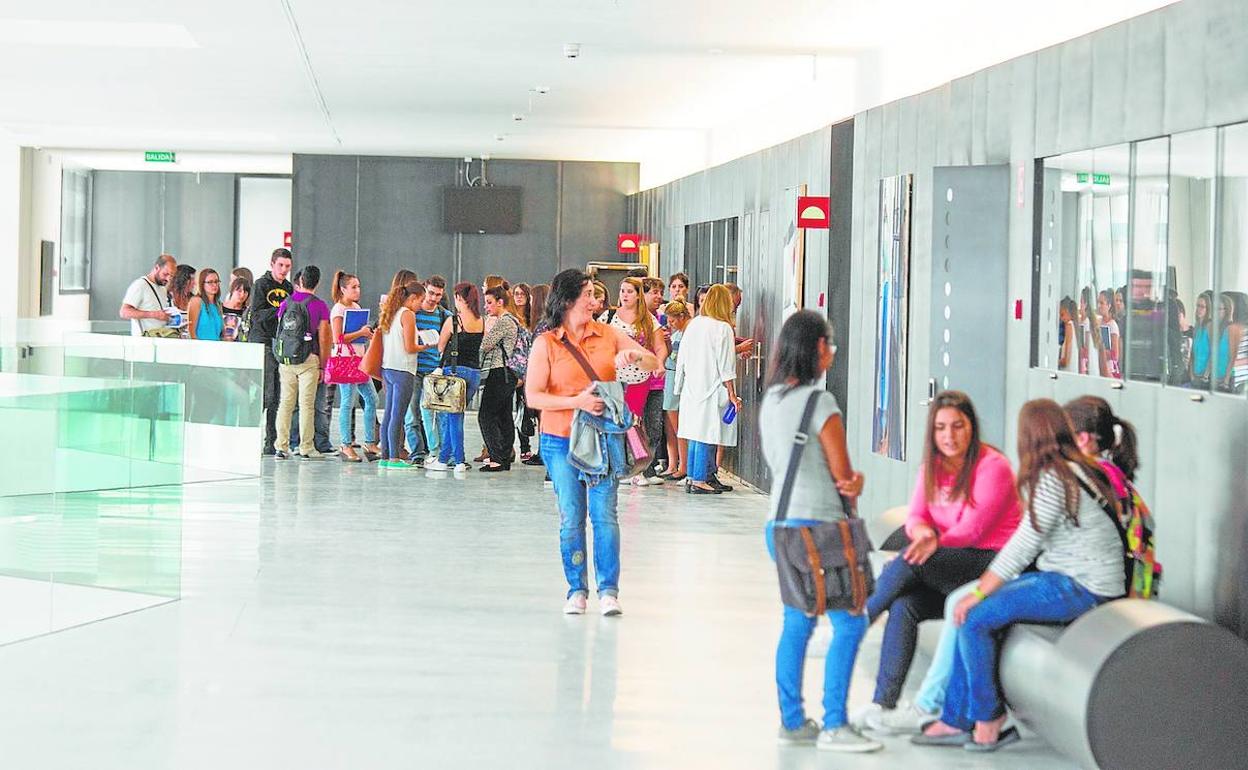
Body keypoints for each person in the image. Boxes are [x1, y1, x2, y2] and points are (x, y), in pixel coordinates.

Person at [915, 399, 1126, 751]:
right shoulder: (1075, 469)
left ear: (1027, 438)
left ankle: (988, 718)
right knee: (972, 612)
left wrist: (978, 593)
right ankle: (955, 718)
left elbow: (1023, 546)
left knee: (973, 617)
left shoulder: (1055, 479)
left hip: (1085, 588)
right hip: (1068, 577)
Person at [857, 391, 1022, 734]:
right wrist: (922, 534)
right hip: (951, 563)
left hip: (991, 563)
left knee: (911, 560)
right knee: (904, 605)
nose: (949, 435)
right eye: (941, 427)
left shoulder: (993, 466)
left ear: (971, 427)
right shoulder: (931, 468)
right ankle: (883, 705)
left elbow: (974, 530)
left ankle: (854, 624)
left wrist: (931, 542)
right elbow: (916, 516)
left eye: (958, 426)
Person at [762, 310, 877, 752]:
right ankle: (835, 723)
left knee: (797, 621)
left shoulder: (772, 400)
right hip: (819, 528)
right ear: (817, 349)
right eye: (829, 344)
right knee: (850, 621)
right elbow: (843, 475)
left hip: (780, 525)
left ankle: (792, 721)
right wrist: (858, 483)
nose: (831, 353)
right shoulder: (820, 402)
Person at [525, 268, 658, 616]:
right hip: (560, 441)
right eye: (587, 294)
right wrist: (576, 402)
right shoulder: (547, 343)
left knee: (604, 515)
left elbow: (654, 362)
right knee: (572, 517)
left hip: (604, 440)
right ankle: (576, 590)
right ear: (568, 300)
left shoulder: (609, 334)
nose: (594, 301)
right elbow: (534, 396)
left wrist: (635, 357)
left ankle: (609, 591)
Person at [675, 284, 740, 494]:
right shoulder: (723, 328)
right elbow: (726, 365)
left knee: (695, 432)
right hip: (712, 387)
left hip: (691, 387)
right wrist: (732, 394)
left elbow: (681, 358)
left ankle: (692, 477)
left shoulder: (694, 324)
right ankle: (700, 480)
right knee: (706, 433)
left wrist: (678, 385)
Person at [604, 277, 668, 485]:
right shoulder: (609, 316)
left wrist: (659, 363)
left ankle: (637, 468)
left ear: (638, 295)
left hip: (639, 377)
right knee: (616, 422)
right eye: (622, 290)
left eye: (630, 291)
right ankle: (618, 466)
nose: (625, 295)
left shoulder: (648, 319)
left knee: (634, 422)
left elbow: (660, 346)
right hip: (613, 377)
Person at [425, 283, 485, 477]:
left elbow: (441, 347)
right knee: (456, 416)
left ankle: (456, 460)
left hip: (454, 373)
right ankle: (445, 458)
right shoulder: (482, 321)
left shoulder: (454, 321)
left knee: (453, 417)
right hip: (474, 374)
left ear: (459, 298)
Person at [274, 266, 332, 460]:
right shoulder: (320, 306)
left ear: (300, 281)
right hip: (309, 359)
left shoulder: (286, 302)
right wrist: (323, 365)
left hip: (286, 359)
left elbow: (280, 330)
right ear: (317, 282)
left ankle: (281, 446)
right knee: (306, 405)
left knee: (285, 403)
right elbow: (324, 338)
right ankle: (306, 447)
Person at [248, 248, 294, 455]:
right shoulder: (261, 285)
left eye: (287, 266)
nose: (284, 270)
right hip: (263, 342)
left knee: (277, 396)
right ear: (272, 264)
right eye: (280, 265)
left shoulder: (289, 287)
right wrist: (279, 310)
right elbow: (256, 315)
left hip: (281, 344)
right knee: (266, 394)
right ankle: (249, 436)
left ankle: (271, 441)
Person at [331, 271, 380, 463]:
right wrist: (360, 332)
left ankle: (369, 442)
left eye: (358, 286)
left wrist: (366, 334)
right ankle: (345, 444)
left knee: (372, 398)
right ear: (343, 289)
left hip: (359, 359)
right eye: (353, 287)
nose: (358, 290)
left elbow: (357, 335)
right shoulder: (338, 310)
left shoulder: (356, 307)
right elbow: (338, 338)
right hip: (345, 360)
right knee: (347, 401)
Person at [377, 280, 424, 469]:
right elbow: (410, 347)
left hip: (388, 368)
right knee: (398, 415)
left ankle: (385, 456)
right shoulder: (408, 314)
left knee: (389, 414)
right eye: (420, 300)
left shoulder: (392, 313)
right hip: (403, 369)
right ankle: (394, 458)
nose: (421, 305)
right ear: (413, 298)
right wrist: (427, 344)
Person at [478, 285, 521, 471]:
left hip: (499, 371)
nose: (486, 307)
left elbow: (485, 345)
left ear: (500, 302)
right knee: (504, 415)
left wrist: (486, 328)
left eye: (489, 303)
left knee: (485, 415)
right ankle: (503, 457)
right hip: (508, 373)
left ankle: (496, 457)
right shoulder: (514, 320)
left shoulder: (503, 322)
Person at [409, 275, 450, 465]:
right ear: (424, 289)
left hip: (434, 370)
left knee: (436, 414)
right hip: (414, 368)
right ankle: (417, 453)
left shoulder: (444, 316)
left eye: (438, 295)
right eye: (431, 293)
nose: (433, 298)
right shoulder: (413, 313)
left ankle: (437, 452)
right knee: (412, 414)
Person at [659, 299, 691, 481]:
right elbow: (671, 354)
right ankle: (675, 464)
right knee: (671, 425)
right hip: (671, 374)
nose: (670, 324)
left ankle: (684, 465)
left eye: (672, 320)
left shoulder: (689, 331)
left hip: (678, 376)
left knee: (680, 426)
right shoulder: (677, 333)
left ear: (681, 316)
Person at [519, 283, 551, 465]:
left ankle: (544, 452)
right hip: (548, 376)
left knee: (543, 417)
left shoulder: (541, 326)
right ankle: (543, 451)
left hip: (542, 377)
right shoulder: (548, 324)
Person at [120, 254, 177, 336]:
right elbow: (124, 312)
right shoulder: (140, 285)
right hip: (143, 340)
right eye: (165, 274)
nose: (168, 279)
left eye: (171, 276)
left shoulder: (162, 288)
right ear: (157, 268)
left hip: (160, 338)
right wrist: (154, 314)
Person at [188, 269, 225, 340]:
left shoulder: (218, 304)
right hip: (200, 345)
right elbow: (191, 332)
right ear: (202, 284)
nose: (215, 285)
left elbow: (221, 332)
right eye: (210, 282)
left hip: (217, 345)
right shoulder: (196, 301)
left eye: (216, 281)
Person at [1189, 290, 1214, 387]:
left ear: (1208, 309)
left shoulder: (1210, 326)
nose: (1199, 309)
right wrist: (1192, 374)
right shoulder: (1196, 326)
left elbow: (1214, 353)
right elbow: (1192, 352)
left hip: (1206, 377)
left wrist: (1206, 375)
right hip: (1196, 375)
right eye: (1197, 306)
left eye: (1202, 307)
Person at [1097, 289, 1122, 379]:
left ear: (1108, 305)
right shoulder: (1099, 322)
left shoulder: (1112, 325)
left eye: (1102, 303)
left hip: (1109, 370)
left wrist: (1101, 351)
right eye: (1098, 303)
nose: (1099, 306)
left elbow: (1115, 354)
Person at [221, 277, 250, 341]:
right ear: (232, 290)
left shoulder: (248, 312)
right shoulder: (219, 308)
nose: (242, 295)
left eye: (245, 292)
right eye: (239, 291)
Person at [1058, 297, 1077, 372]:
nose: (1061, 318)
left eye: (1062, 314)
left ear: (1068, 312)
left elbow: (1066, 360)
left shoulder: (1069, 326)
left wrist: (1054, 361)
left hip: (1068, 371)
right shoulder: (1075, 326)